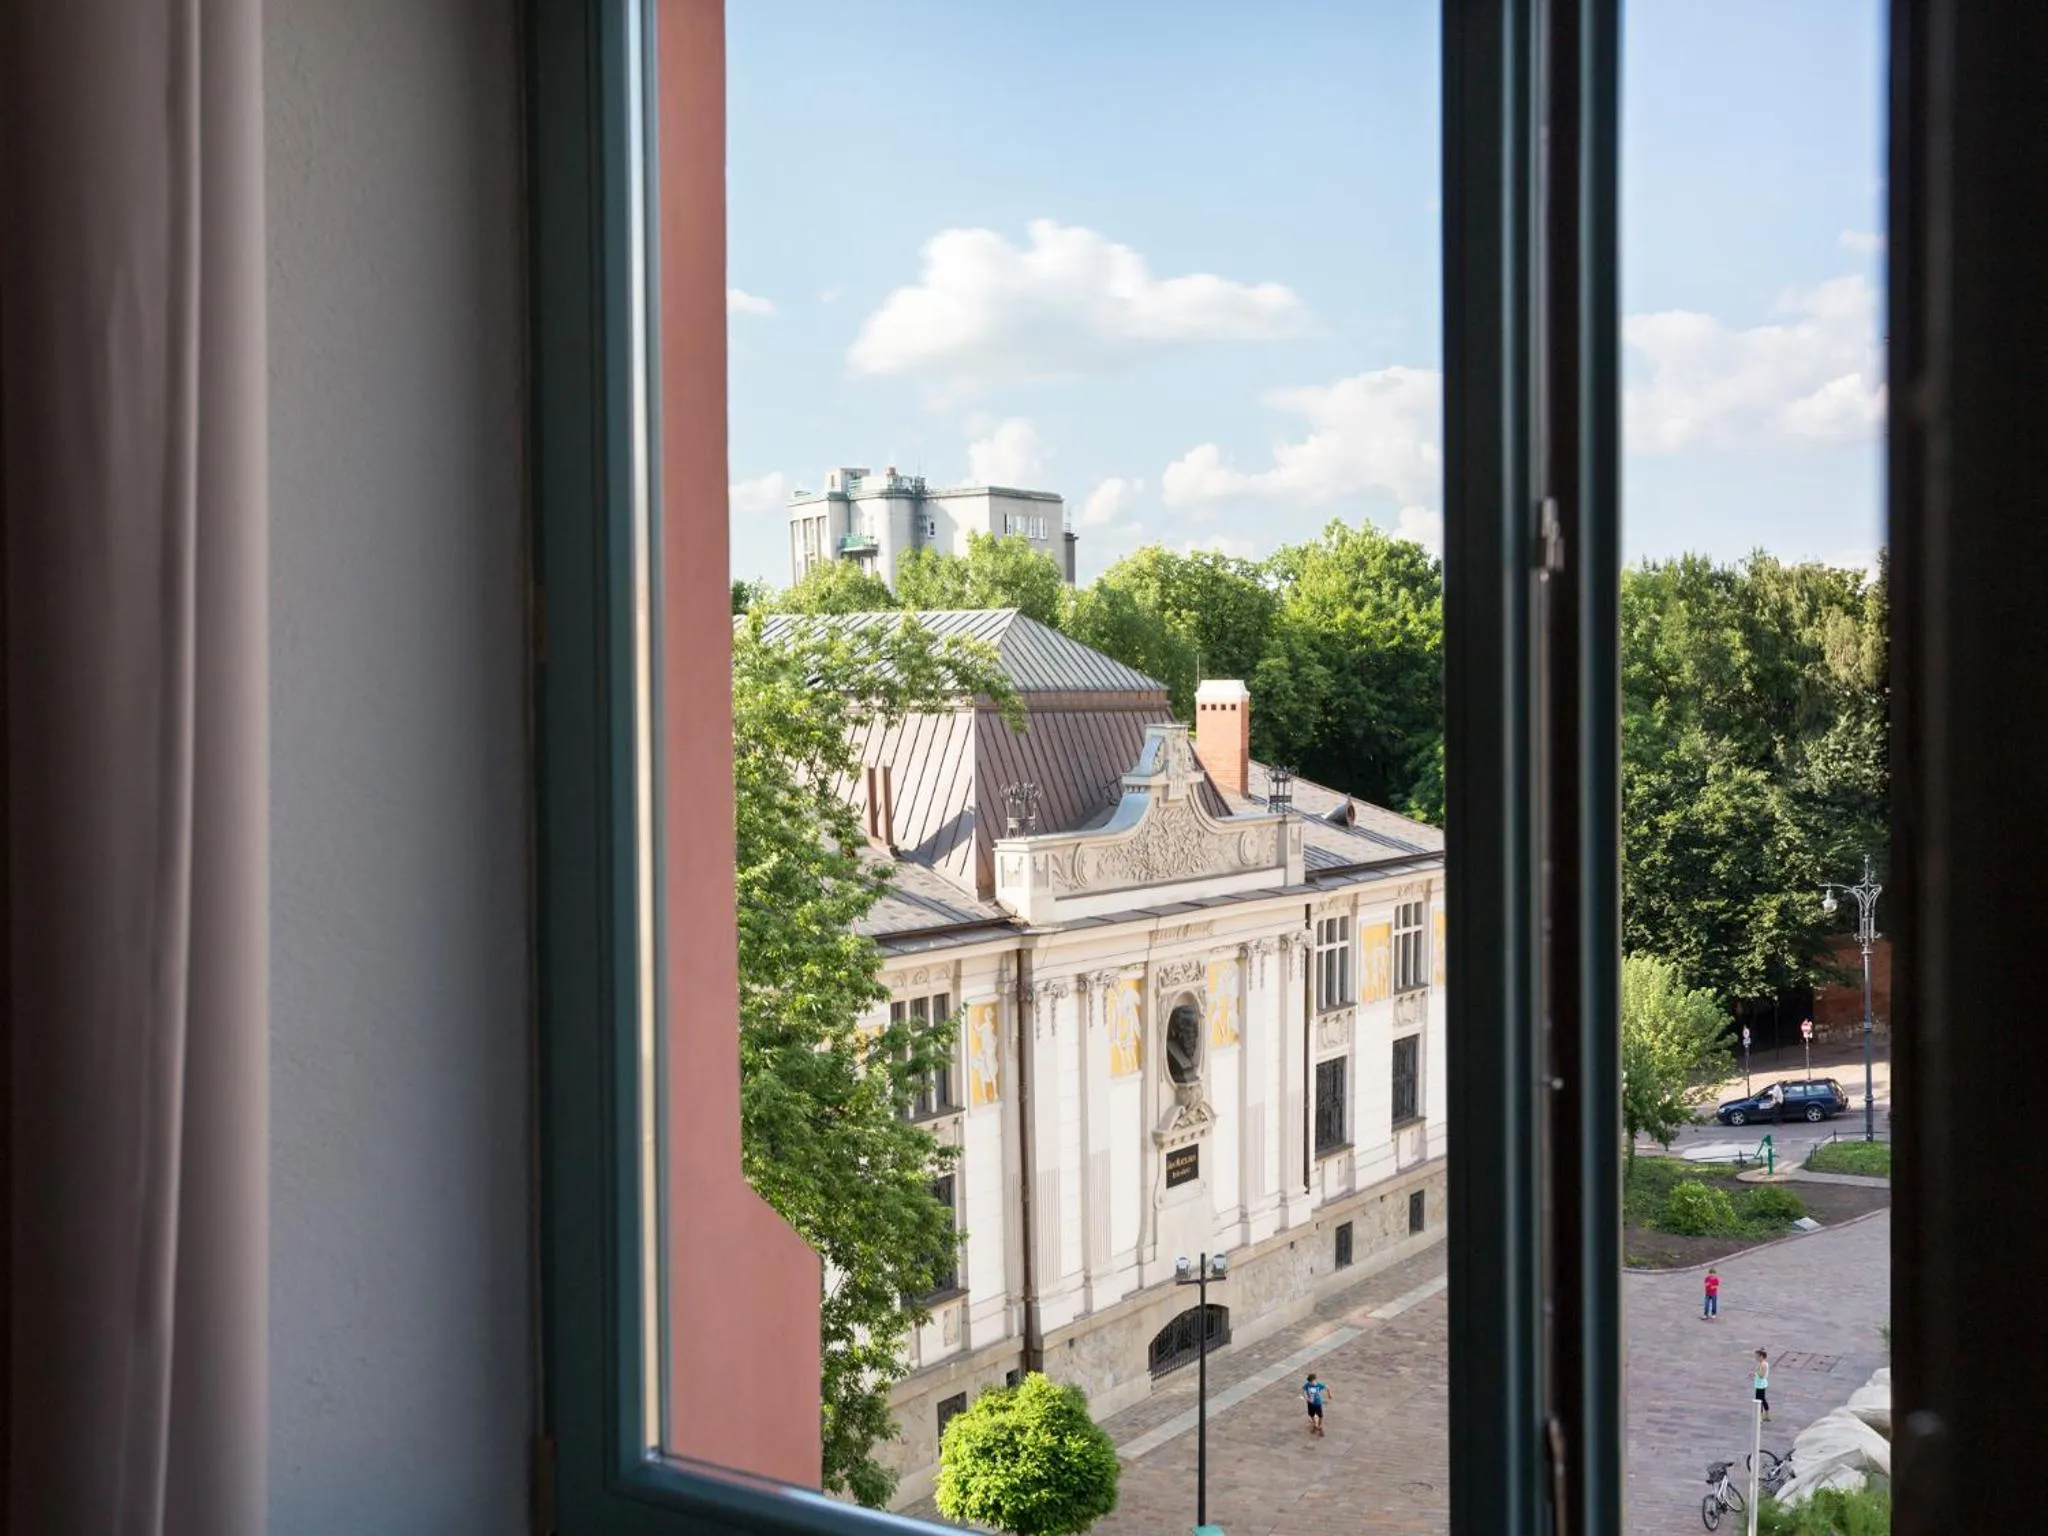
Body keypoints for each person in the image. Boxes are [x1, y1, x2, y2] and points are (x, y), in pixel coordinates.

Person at [1302, 1372, 1332, 1437]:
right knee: (1311, 1414)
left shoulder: (1319, 1385)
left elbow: (1327, 1387)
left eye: (1312, 1382)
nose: (1311, 1383)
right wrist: (1306, 1398)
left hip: (1318, 1403)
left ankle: (1320, 1426)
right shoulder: (1307, 1385)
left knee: (1320, 1415)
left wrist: (1329, 1395)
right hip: (1310, 1404)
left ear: (1315, 1380)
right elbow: (1303, 1391)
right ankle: (1315, 1425)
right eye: (1310, 1382)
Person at [1753, 1349, 1772, 1423]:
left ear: (1761, 1356)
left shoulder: (1763, 1364)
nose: (1756, 1358)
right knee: (1762, 1400)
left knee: (1759, 1401)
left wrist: (1756, 1373)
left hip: (1760, 1385)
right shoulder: (1762, 1363)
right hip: (1759, 1384)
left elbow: (1762, 1375)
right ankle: (1766, 1415)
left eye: (1757, 1356)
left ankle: (1761, 1416)